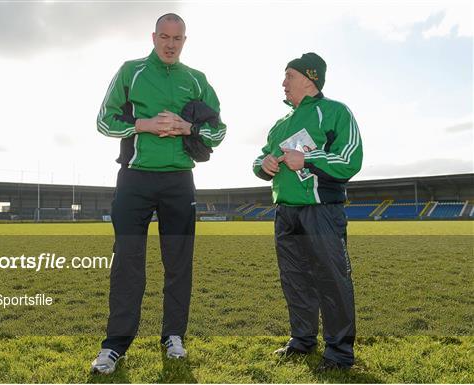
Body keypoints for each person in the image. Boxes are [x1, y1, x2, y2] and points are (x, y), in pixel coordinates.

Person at [91, 13, 226, 374]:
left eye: (177, 39)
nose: (170, 44)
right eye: (164, 37)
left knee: (179, 262)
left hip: (179, 180)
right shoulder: (130, 71)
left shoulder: (196, 80)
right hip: (134, 179)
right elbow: (104, 120)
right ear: (153, 37)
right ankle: (114, 345)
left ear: (185, 41)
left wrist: (188, 127)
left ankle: (173, 336)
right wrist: (143, 125)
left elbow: (219, 130)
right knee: (128, 262)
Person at [252, 53, 362, 371]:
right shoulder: (280, 125)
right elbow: (259, 159)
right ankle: (301, 341)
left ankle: (339, 352)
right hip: (286, 212)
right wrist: (265, 164)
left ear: (308, 78)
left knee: (331, 279)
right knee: (295, 279)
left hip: (321, 211)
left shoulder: (335, 112)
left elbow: (350, 160)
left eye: (288, 76)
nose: (283, 82)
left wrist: (311, 161)